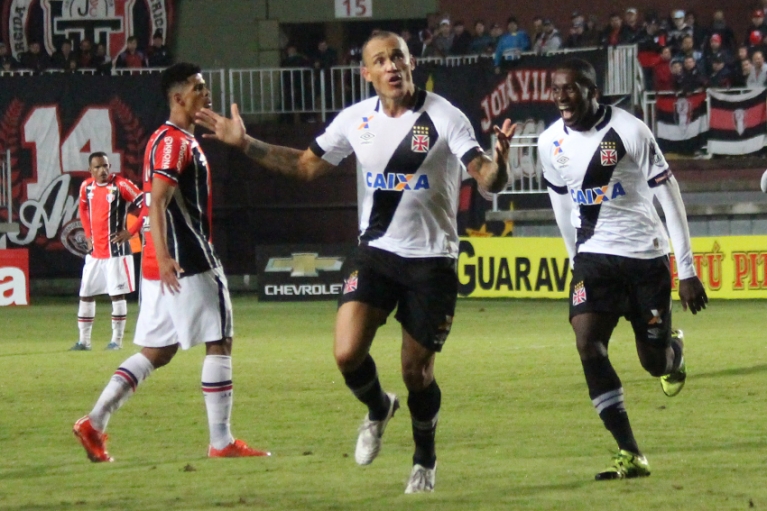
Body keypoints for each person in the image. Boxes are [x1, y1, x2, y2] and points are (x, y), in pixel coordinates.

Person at [193, 31, 515, 493]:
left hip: (432, 261)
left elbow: (486, 176)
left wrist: (500, 162)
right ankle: (379, 408)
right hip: (377, 252)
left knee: (417, 372)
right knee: (346, 353)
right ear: (366, 73)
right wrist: (245, 143)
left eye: (398, 57)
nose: (391, 66)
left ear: (411, 62)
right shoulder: (355, 119)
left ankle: (424, 458)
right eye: (380, 60)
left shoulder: (445, 116)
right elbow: (305, 166)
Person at [72, 62, 269, 462]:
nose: (206, 93)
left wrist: (158, 258)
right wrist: (164, 256)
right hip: (187, 259)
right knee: (220, 340)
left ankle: (94, 422)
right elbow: (157, 201)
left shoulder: (169, 139)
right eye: (198, 87)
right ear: (178, 98)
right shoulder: (174, 142)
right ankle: (221, 441)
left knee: (157, 351)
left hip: (163, 264)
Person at [539, 58, 707, 480]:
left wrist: (686, 269)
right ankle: (629, 451)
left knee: (654, 363)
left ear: (592, 91)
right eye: (555, 89)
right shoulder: (548, 142)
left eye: (570, 88)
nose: (561, 97)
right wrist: (573, 256)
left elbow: (669, 196)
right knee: (587, 342)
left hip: (645, 258)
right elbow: (561, 202)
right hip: (594, 259)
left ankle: (673, 354)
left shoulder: (629, 130)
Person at [70, 153, 143, 352]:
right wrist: (88, 235)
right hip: (95, 253)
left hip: (116, 253)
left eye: (105, 166)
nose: (102, 170)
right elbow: (83, 209)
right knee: (86, 295)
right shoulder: (86, 187)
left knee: (117, 296)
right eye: (97, 167)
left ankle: (116, 342)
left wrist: (131, 231)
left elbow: (147, 204)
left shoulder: (121, 185)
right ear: (90, 170)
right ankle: (84, 342)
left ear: (110, 166)